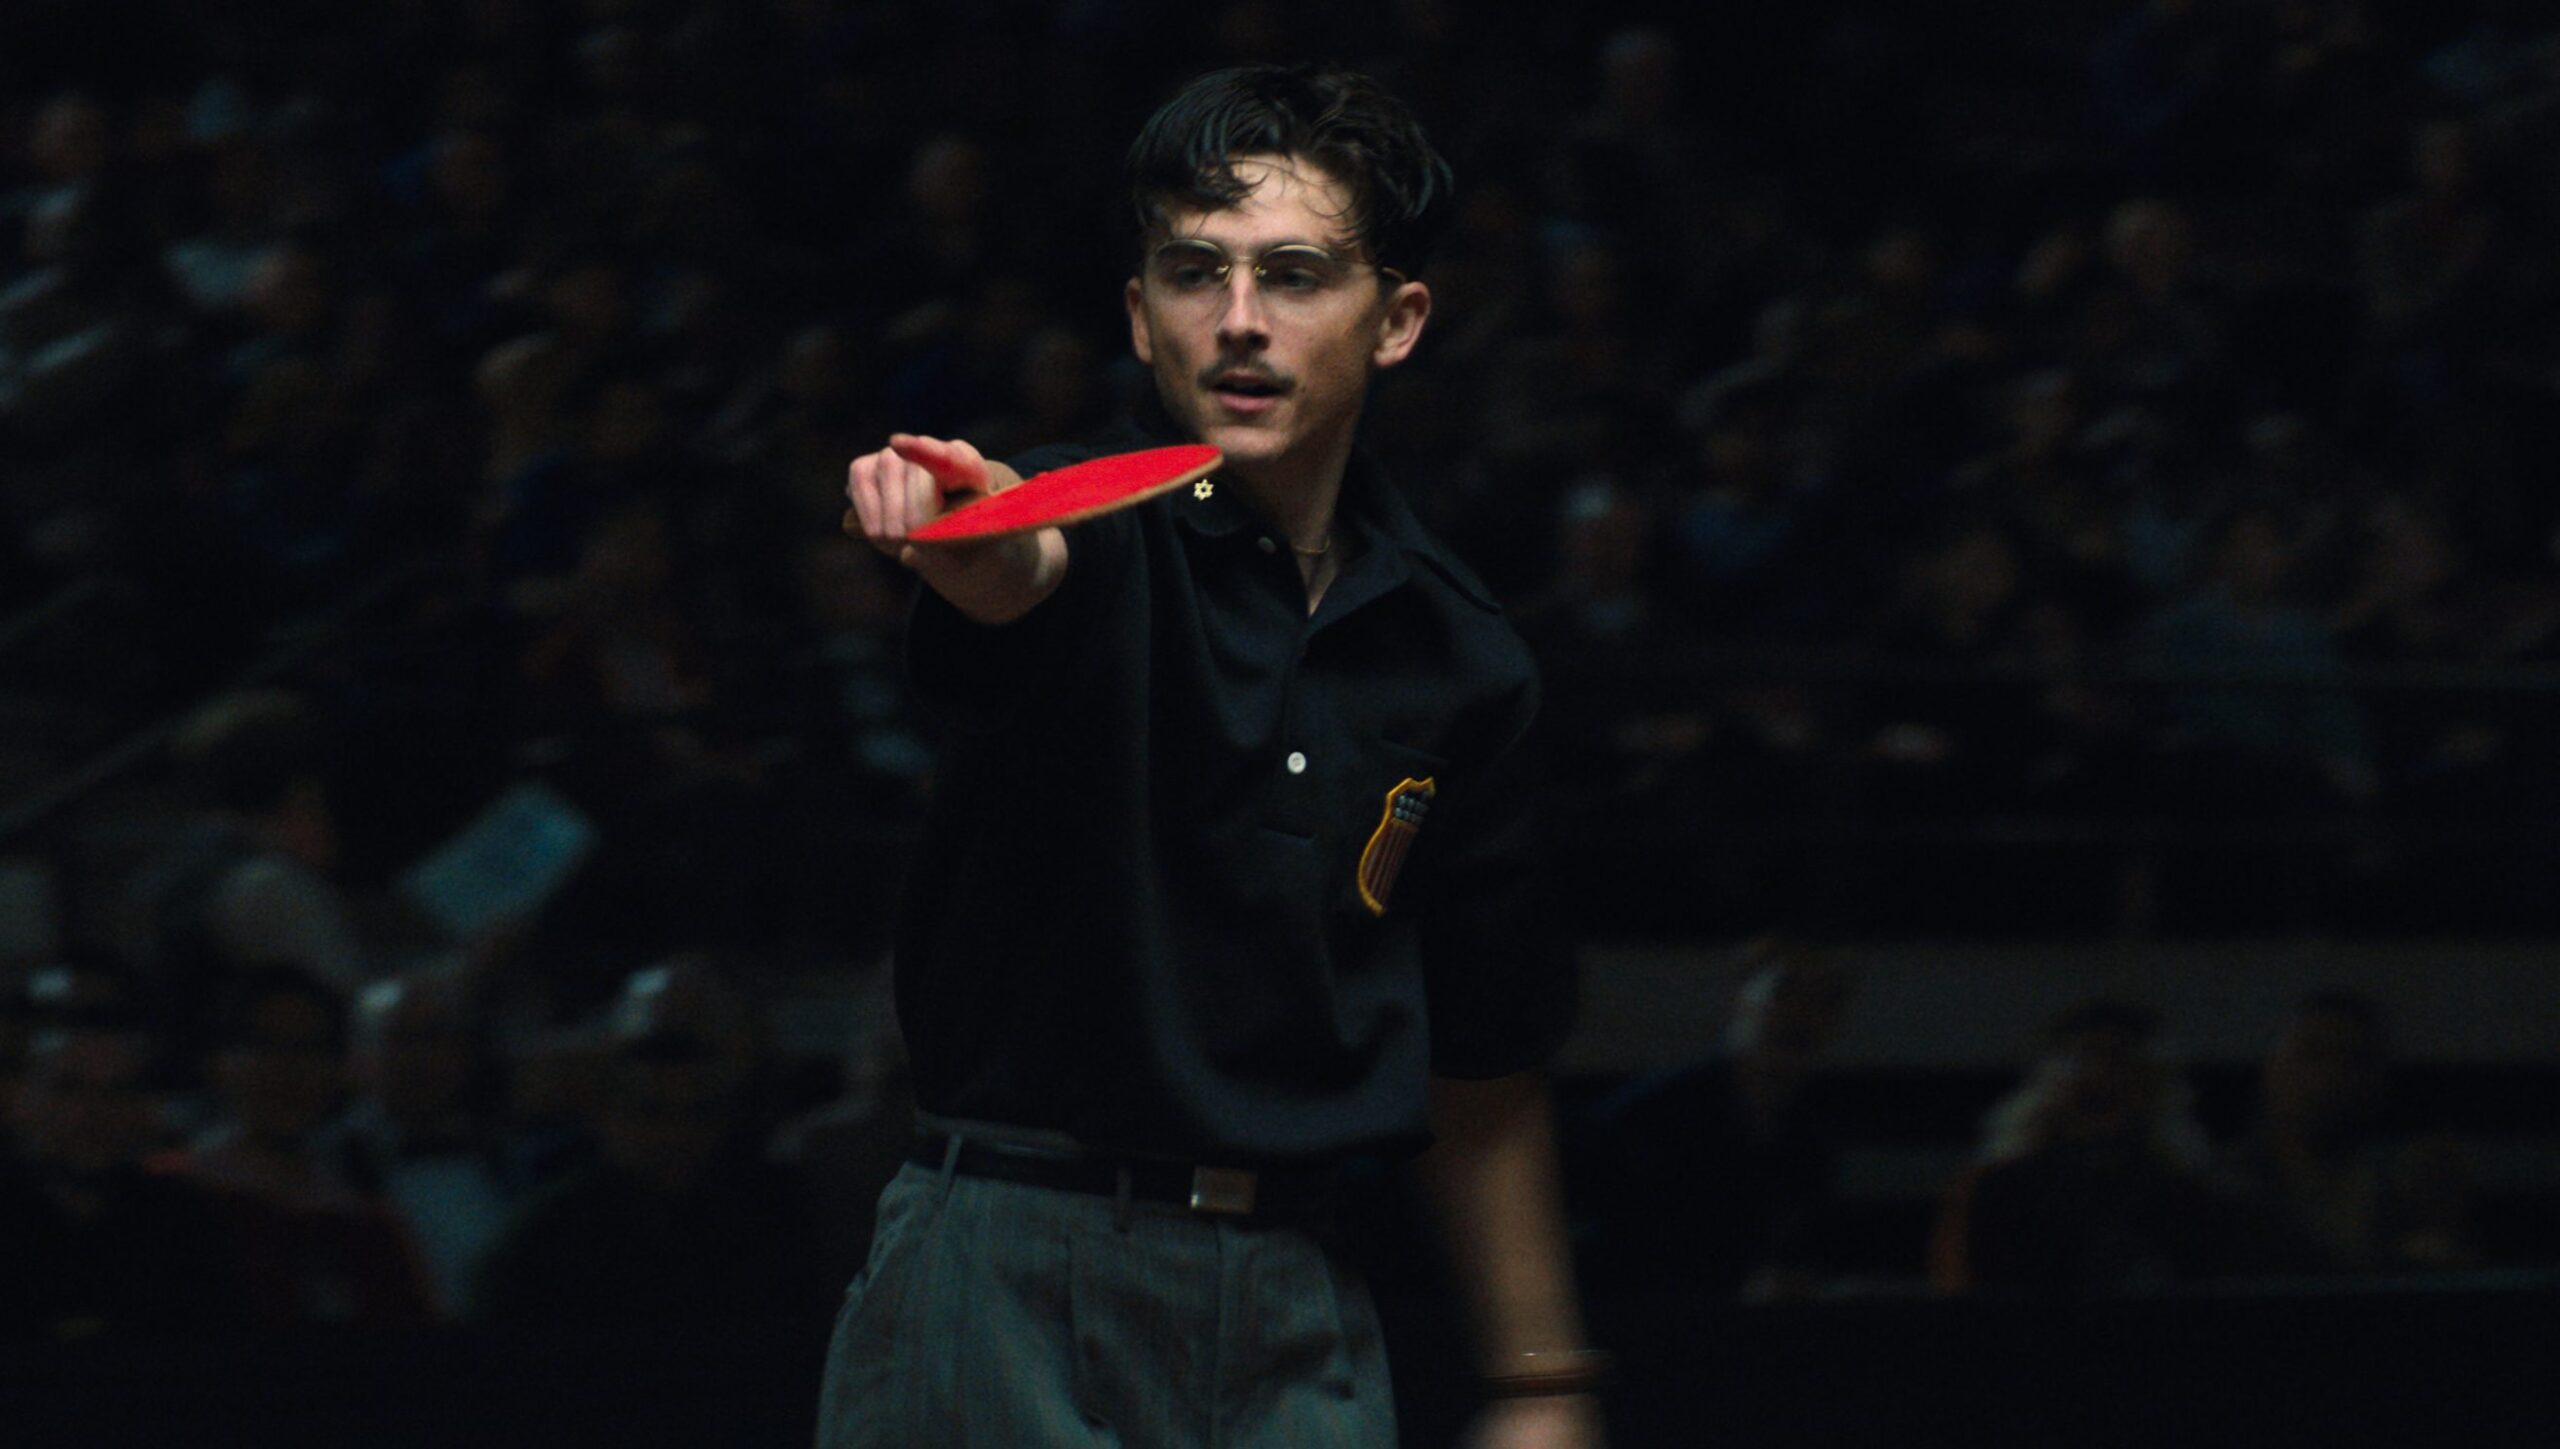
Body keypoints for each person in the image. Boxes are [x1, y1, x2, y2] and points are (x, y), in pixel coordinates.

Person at [827, 64, 1604, 1448]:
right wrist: (974, 537)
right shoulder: (1086, 528)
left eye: (1295, 276)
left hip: (1298, 1296)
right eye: (1195, 273)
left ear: (1397, 321)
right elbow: (1018, 562)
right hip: (1008, 1265)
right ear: (1141, 316)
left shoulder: (1464, 657)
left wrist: (1540, 1380)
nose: (1240, 319)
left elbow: (1484, 1059)